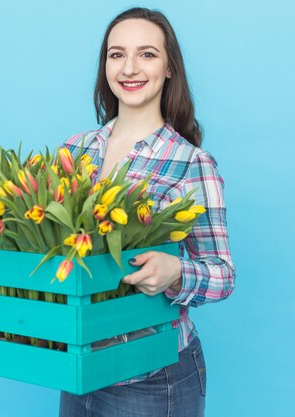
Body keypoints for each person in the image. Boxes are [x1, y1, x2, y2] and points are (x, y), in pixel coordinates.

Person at [58, 7, 236, 417]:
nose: (130, 68)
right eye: (116, 54)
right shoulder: (74, 150)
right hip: (79, 364)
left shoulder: (191, 163)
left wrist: (176, 273)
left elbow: (223, 274)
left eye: (147, 54)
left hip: (152, 377)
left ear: (170, 67)